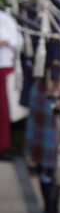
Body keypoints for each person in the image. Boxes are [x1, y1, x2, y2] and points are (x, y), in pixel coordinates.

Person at [0, 8, 23, 159]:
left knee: (3, 110)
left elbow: (16, 41)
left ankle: (4, 146)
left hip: (4, 67)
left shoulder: (5, 18)